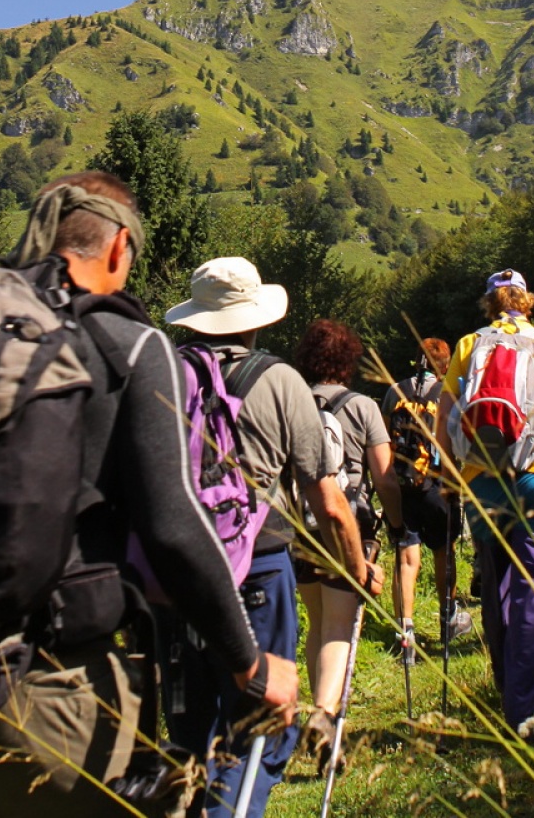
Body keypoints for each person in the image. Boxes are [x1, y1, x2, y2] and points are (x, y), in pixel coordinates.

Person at [0, 172, 298, 818]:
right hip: (47, 700)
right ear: (118, 248)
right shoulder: (128, 345)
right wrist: (248, 662)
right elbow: (173, 526)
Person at [165, 261, 383, 818]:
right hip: (258, 562)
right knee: (263, 717)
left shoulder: (162, 371)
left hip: (177, 568)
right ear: (254, 318)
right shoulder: (279, 379)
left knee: (192, 723)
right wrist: (357, 566)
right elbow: (327, 500)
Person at [436, 269, 534, 730]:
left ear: (490, 303)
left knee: (497, 587)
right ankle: (523, 710)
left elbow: (445, 419)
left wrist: (452, 473)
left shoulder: (469, 345)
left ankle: (509, 691)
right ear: (527, 301)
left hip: (483, 481)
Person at [291, 319, 404, 763]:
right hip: (347, 527)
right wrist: (396, 527)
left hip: (301, 527)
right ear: (348, 360)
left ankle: (320, 709)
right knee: (340, 626)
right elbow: (386, 477)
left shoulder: (292, 401)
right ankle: (323, 716)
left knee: (317, 623)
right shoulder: (362, 407)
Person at [381, 338, 472, 662]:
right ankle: (448, 618)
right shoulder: (449, 395)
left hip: (402, 486)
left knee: (407, 559)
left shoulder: (394, 391)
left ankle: (405, 632)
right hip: (438, 485)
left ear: (416, 359)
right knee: (443, 552)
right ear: (445, 365)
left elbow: (384, 439)